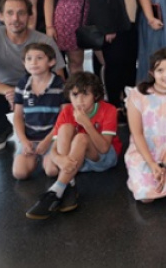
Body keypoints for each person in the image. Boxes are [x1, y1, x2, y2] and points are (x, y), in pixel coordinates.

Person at [0, 0, 65, 153]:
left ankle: (45, 131)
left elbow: (60, 78)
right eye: (10, 13)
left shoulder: (44, 41)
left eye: (21, 13)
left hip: (37, 94)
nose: (15, 18)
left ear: (29, 16)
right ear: (0, 16)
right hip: (5, 93)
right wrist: (9, 91)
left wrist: (30, 93)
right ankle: (1, 129)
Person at [26, 72, 120, 219]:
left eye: (85, 95)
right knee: (64, 131)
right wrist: (59, 159)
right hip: (76, 160)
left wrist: (86, 123)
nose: (80, 101)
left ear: (95, 95)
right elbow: (55, 146)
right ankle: (69, 182)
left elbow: (104, 148)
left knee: (81, 138)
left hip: (103, 159)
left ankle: (55, 191)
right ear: (69, 96)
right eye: (75, 95)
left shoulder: (109, 110)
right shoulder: (67, 111)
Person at [125, 47, 166, 202]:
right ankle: (137, 177)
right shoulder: (137, 96)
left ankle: (165, 174)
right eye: (160, 70)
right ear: (152, 73)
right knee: (146, 197)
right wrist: (152, 164)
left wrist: (164, 166)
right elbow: (137, 134)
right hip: (144, 152)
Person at [12, 43, 66, 180]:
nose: (33, 62)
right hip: (30, 138)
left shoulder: (61, 86)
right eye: (29, 59)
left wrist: (48, 141)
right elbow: (18, 116)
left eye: (39, 58)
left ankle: (47, 157)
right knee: (19, 173)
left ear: (51, 62)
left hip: (53, 137)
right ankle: (35, 157)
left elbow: (64, 119)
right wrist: (24, 141)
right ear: (24, 63)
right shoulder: (22, 85)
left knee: (51, 171)